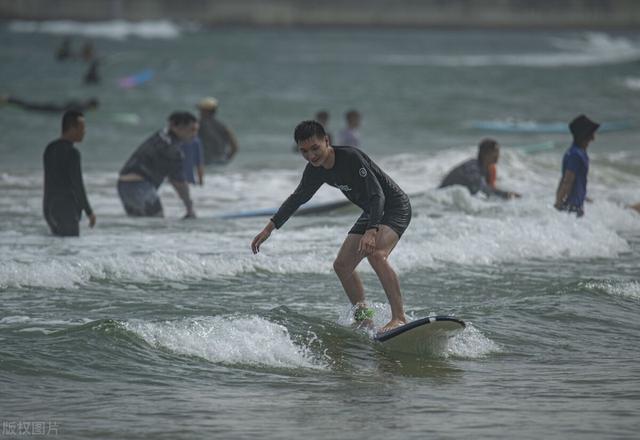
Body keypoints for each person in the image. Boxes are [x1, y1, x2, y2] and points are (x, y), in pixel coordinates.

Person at [251, 120, 412, 333]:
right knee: (342, 265)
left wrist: (371, 231)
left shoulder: (351, 158)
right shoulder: (315, 170)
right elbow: (297, 198)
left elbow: (377, 194)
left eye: (315, 148)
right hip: (371, 212)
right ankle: (365, 319)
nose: (311, 156)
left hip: (393, 206)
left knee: (376, 254)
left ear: (327, 141)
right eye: (304, 151)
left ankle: (399, 318)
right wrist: (269, 228)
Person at [117, 111, 198, 218]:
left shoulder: (161, 135)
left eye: (196, 130)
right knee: (156, 223)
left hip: (123, 185)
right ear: (176, 127)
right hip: (140, 186)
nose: (194, 134)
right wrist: (189, 208)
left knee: (138, 223)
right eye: (191, 130)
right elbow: (179, 183)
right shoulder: (173, 150)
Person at [43, 110, 96, 236]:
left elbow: (48, 182)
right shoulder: (73, 153)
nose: (84, 131)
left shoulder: (49, 149)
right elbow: (78, 185)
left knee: (57, 246)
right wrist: (89, 212)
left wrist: (46, 208)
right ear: (72, 128)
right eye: (81, 128)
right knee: (69, 249)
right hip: (67, 209)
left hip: (49, 208)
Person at [439, 138, 520, 199]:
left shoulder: (489, 169)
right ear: (485, 154)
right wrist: (506, 195)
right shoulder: (472, 169)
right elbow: (483, 189)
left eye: (498, 152)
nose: (498, 155)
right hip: (442, 198)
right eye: (495, 152)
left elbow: (488, 190)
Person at [554, 114, 600, 217]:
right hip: (571, 207)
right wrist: (558, 204)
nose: (593, 138)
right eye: (591, 133)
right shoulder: (575, 154)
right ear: (585, 135)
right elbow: (567, 181)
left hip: (576, 205)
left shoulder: (579, 153)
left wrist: (584, 198)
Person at [197, 97, 239, 164]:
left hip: (205, 162)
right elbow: (235, 147)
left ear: (206, 111)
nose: (200, 112)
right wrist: (227, 159)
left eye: (201, 110)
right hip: (221, 161)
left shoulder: (197, 125)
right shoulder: (223, 126)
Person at [1, 95, 99, 113]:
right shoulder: (83, 107)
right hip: (53, 109)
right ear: (92, 105)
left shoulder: (81, 104)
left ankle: (9, 100)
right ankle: (9, 99)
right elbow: (69, 110)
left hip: (54, 107)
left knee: (29, 106)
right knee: (29, 106)